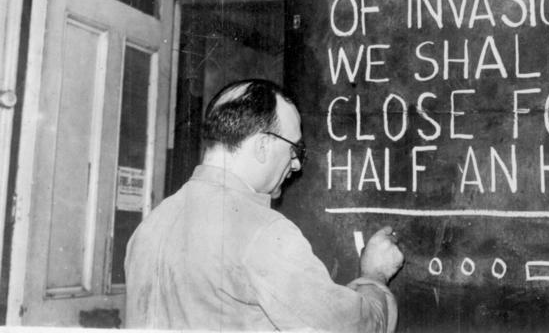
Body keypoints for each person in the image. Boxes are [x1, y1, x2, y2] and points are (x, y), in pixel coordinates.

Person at [125, 79, 404, 332]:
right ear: (263, 146)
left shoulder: (151, 225)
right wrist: (374, 276)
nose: (295, 164)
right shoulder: (263, 232)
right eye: (295, 150)